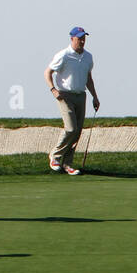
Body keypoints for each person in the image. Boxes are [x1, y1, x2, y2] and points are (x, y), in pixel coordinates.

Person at [44, 26, 100, 175]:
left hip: (81, 95)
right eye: (79, 38)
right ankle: (55, 156)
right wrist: (53, 90)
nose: (82, 41)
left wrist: (95, 96)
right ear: (72, 39)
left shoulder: (88, 57)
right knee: (71, 128)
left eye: (84, 38)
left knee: (77, 132)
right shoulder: (63, 55)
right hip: (64, 95)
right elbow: (47, 72)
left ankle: (67, 164)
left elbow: (89, 78)